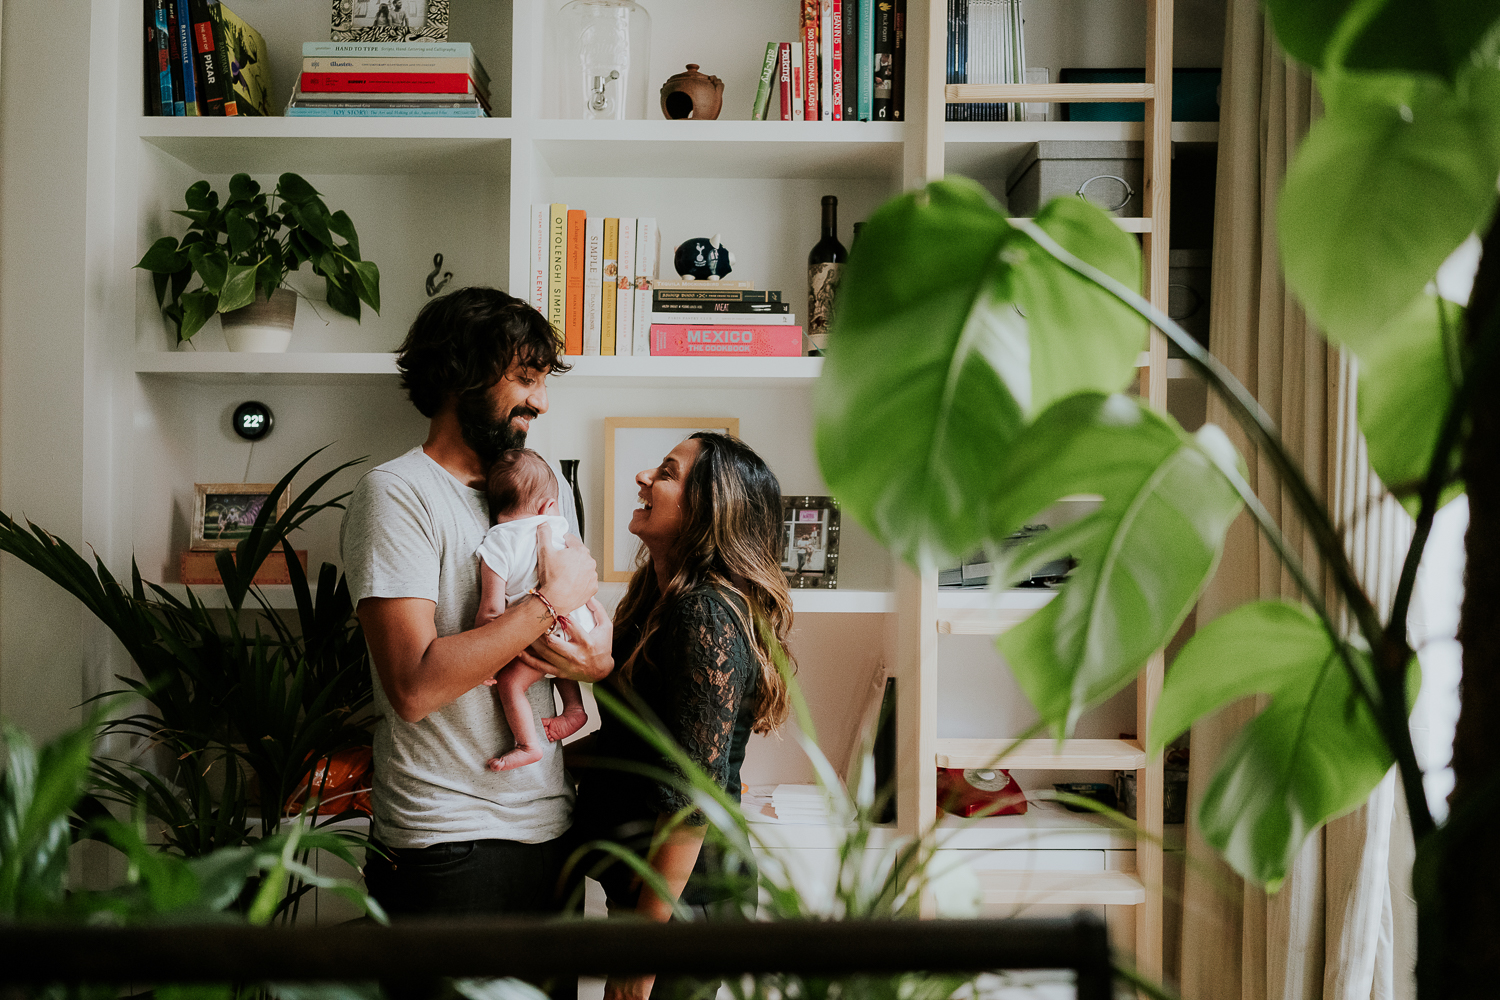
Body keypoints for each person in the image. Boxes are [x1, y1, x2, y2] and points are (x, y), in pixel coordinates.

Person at [340, 286, 613, 921]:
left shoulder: (542, 492)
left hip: (550, 830)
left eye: (543, 381)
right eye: (524, 378)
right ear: (461, 374)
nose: (540, 401)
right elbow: (412, 687)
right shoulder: (398, 494)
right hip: (447, 841)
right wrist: (549, 600)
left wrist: (595, 661)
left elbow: (578, 640)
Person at [569, 432, 794, 1000]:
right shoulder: (653, 599)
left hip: (688, 900)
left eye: (666, 473)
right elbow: (639, 744)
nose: (643, 478)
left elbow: (691, 801)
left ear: (708, 509)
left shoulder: (705, 614)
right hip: (657, 887)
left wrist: (641, 959)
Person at [474, 448, 593, 772]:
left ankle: (527, 745)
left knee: (512, 682)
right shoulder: (558, 528)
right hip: (578, 624)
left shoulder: (496, 543)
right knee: (559, 657)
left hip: (543, 629)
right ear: (548, 506)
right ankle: (573, 708)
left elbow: (491, 611)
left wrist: (484, 660)